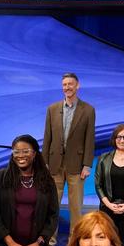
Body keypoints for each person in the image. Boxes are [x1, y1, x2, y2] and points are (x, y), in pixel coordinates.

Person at [42, 72, 96, 226]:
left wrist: (87, 164)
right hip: (54, 164)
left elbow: (89, 139)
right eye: (64, 85)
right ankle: (49, 240)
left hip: (77, 165)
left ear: (77, 86)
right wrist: (44, 162)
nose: (67, 87)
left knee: (76, 207)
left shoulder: (88, 110)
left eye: (70, 84)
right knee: (52, 206)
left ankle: (75, 241)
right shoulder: (52, 109)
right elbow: (47, 137)